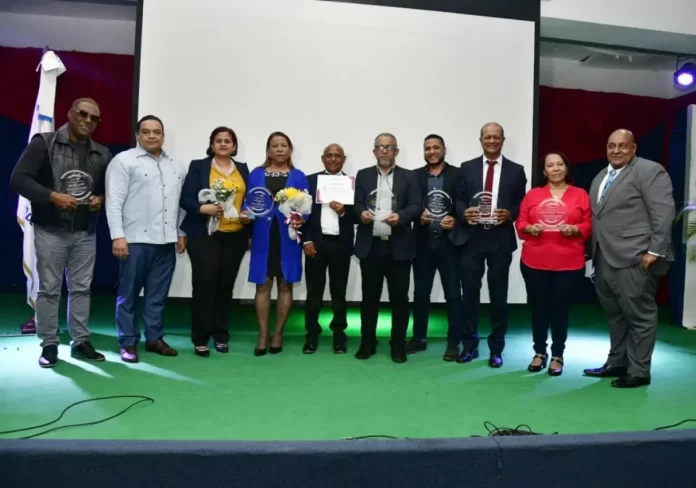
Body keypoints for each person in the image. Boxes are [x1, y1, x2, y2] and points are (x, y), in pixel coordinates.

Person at [10, 98, 111, 368]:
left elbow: (108, 190)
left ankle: (80, 341)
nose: (88, 120)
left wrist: (101, 199)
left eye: (94, 118)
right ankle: (49, 344)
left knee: (82, 289)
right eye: (83, 114)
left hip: (85, 232)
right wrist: (52, 197)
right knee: (49, 290)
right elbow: (18, 179)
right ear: (70, 114)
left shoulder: (102, 153)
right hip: (50, 230)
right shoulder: (44, 143)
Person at [583, 129, 675, 388]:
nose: (616, 150)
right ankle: (617, 363)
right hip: (604, 258)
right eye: (611, 145)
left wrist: (654, 251)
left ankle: (639, 371)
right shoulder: (601, 176)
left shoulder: (650, 171)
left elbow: (663, 212)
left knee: (640, 316)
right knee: (615, 314)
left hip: (636, 257)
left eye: (622, 146)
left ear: (633, 148)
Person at [105, 115, 187, 363]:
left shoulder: (176, 165)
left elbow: (180, 204)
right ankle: (128, 342)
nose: (152, 136)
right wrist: (118, 236)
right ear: (137, 135)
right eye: (146, 131)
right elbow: (114, 201)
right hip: (133, 241)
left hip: (166, 242)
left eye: (157, 132)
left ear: (163, 136)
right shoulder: (123, 161)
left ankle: (154, 338)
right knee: (128, 295)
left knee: (157, 296)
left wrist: (180, 233)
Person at [451, 122, 527, 368]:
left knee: (498, 295)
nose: (492, 141)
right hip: (471, 238)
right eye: (487, 137)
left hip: (499, 238)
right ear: (480, 140)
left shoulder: (516, 170)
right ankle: (469, 346)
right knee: (469, 294)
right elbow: (459, 200)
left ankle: (496, 349)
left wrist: (511, 214)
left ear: (502, 140)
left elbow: (521, 203)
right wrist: (464, 212)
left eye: (496, 137)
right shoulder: (467, 167)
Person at [516, 152, 591, 376]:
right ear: (544, 171)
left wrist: (576, 229)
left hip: (568, 263)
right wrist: (529, 228)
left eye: (560, 164)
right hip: (534, 261)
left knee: (560, 309)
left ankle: (557, 354)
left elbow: (588, 224)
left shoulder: (580, 194)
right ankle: (539, 352)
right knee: (538, 309)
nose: (556, 168)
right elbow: (521, 222)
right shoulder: (533, 195)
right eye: (550, 165)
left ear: (567, 168)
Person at [180, 126, 250, 357]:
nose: (223, 144)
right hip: (205, 235)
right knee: (204, 285)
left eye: (228, 141)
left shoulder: (242, 169)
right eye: (218, 140)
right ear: (212, 145)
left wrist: (248, 215)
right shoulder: (198, 166)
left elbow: (248, 199)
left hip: (236, 235)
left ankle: (220, 334)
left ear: (234, 146)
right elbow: (185, 199)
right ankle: (200, 337)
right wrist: (203, 208)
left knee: (225, 286)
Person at [353, 133, 421, 363]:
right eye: (380, 147)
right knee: (369, 298)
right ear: (374, 151)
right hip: (371, 247)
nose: (384, 151)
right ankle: (367, 343)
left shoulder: (409, 176)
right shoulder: (363, 175)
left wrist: (401, 216)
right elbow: (357, 203)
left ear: (396, 152)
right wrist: (361, 213)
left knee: (400, 299)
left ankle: (397, 344)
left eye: (389, 147)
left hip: (399, 247)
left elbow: (416, 206)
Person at [245, 131, 309, 356]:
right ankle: (263, 334)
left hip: (287, 236)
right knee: (262, 284)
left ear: (290, 150)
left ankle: (279, 333)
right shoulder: (256, 174)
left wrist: (301, 218)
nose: (279, 149)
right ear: (268, 150)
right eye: (275, 145)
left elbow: (306, 205)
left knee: (285, 284)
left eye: (284, 145)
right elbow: (249, 202)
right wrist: (245, 214)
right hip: (263, 234)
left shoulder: (299, 176)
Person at [407, 134, 463, 361]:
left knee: (453, 294)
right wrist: (417, 215)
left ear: (444, 149)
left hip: (450, 243)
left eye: (436, 147)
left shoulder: (458, 174)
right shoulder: (414, 176)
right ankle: (419, 338)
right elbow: (409, 205)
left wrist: (456, 219)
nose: (431, 152)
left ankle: (453, 342)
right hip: (422, 242)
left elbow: (463, 204)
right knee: (421, 294)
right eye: (427, 148)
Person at [302, 144, 354, 354]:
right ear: (323, 158)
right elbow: (302, 213)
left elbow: (357, 216)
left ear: (344, 159)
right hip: (315, 244)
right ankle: (311, 335)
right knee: (313, 292)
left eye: (337, 156)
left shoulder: (351, 184)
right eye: (329, 155)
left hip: (340, 245)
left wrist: (343, 212)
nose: (333, 159)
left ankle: (339, 335)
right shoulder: (310, 181)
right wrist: (306, 240)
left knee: (339, 292)